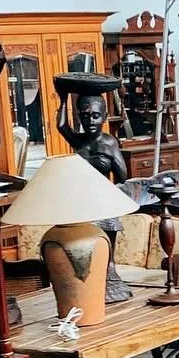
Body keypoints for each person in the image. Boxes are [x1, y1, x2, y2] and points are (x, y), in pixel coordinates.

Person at [55, 72, 131, 303]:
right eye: (85, 116)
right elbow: (60, 125)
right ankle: (88, 284)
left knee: (107, 248)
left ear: (105, 117)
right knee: (82, 247)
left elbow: (123, 176)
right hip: (82, 203)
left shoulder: (108, 143)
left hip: (103, 201)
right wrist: (63, 98)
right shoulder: (78, 141)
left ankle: (110, 281)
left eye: (95, 116)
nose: (89, 121)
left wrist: (109, 158)